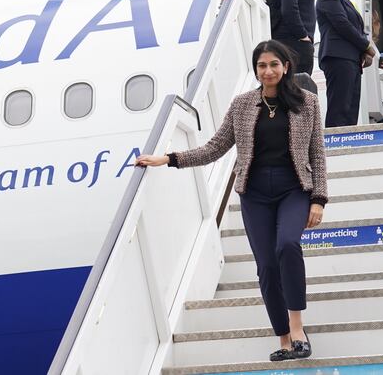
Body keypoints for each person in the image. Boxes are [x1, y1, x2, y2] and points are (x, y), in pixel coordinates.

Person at [137, 40, 327, 362]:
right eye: (262, 66)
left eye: (274, 65)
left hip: (294, 188)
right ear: (256, 70)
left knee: (287, 245)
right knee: (267, 266)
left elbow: (317, 154)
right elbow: (214, 147)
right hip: (255, 194)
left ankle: (297, 328)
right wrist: (169, 159)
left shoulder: (306, 102)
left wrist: (318, 199)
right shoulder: (242, 104)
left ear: (286, 67)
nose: (268, 71)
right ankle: (283, 338)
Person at [316, 0, 376, 127]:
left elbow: (356, 28)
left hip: (352, 61)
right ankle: (336, 144)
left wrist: (364, 52)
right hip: (338, 58)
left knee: (350, 111)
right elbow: (342, 23)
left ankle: (348, 143)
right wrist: (366, 46)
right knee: (339, 109)